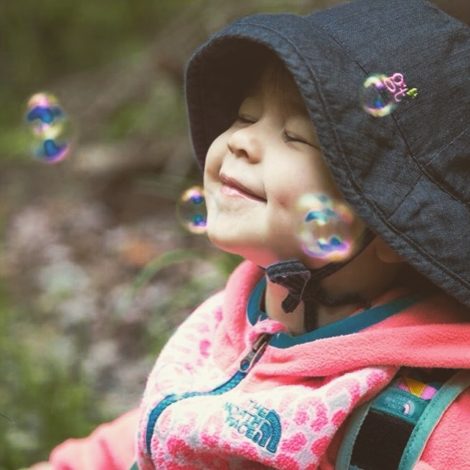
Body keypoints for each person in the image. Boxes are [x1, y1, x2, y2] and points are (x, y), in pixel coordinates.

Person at [34, 0, 470, 468]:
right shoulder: (231, 326)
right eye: (245, 116)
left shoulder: (424, 426)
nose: (240, 140)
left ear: (392, 226)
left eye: (297, 136)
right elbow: (172, 424)